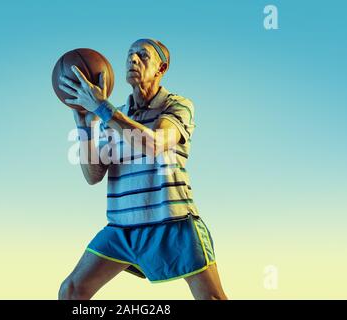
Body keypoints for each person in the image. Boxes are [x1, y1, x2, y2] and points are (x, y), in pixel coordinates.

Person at [58, 39, 227, 300]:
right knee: (71, 291)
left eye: (142, 55)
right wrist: (85, 124)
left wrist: (103, 109)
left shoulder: (177, 105)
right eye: (129, 55)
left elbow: (156, 144)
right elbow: (93, 176)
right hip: (122, 227)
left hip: (171, 221)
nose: (132, 60)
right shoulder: (110, 116)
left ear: (162, 67)